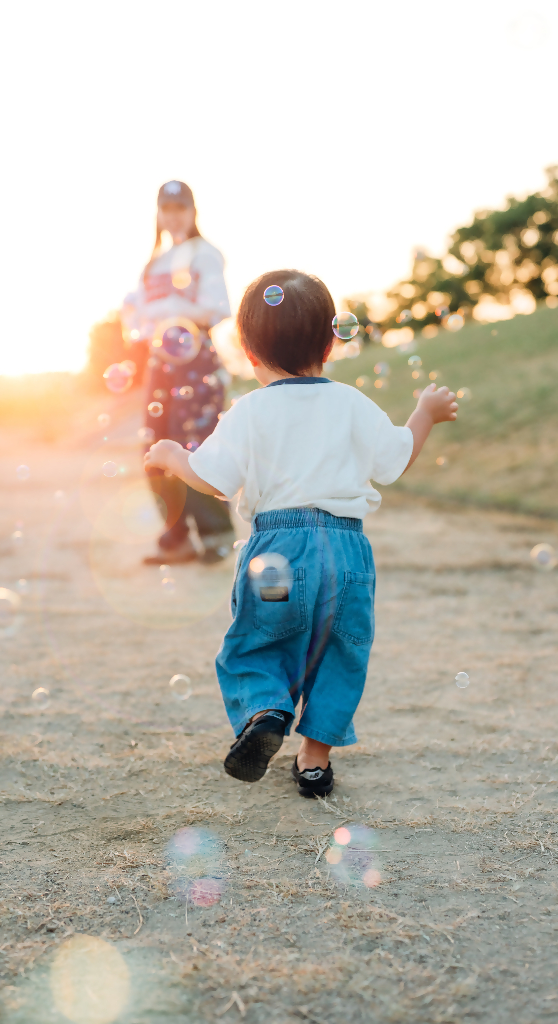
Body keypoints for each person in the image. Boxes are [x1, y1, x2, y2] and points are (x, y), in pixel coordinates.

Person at [143, 269, 458, 797]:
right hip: (347, 549)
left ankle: (266, 710)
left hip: (278, 548)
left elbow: (215, 481)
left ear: (248, 353)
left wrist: (176, 458)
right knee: (342, 651)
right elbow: (395, 459)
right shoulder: (352, 402)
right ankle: (314, 761)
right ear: (331, 344)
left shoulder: (249, 410)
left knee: (258, 643)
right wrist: (424, 413)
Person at [122, 180, 235, 565]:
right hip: (160, 363)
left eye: (180, 208)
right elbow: (137, 323)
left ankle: (216, 535)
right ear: (158, 213)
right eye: (166, 209)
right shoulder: (152, 264)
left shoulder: (205, 254)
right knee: (155, 445)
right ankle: (176, 538)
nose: (173, 216)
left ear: (192, 211)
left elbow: (218, 309)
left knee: (198, 444)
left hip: (195, 359)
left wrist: (170, 308)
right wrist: (134, 317)